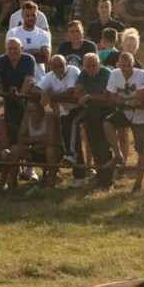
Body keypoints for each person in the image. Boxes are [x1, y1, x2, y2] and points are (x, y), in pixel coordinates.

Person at [103, 51, 144, 192]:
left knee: (141, 150)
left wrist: (129, 101)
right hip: (125, 111)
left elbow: (142, 95)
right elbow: (111, 94)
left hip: (141, 116)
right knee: (107, 123)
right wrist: (127, 102)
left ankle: (138, 182)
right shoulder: (114, 74)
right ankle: (118, 156)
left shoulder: (141, 74)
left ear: (133, 64)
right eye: (122, 65)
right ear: (118, 64)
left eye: (128, 65)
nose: (125, 68)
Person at [35, 53, 84, 187]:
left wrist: (52, 97)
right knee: (71, 139)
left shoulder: (73, 71)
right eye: (55, 67)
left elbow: (70, 92)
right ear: (51, 67)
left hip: (81, 107)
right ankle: (80, 175)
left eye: (60, 66)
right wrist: (43, 93)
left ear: (66, 64)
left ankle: (71, 155)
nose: (58, 69)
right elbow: (36, 88)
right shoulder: (50, 76)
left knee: (73, 128)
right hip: (66, 111)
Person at [0, 37, 35, 145]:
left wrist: (21, 97)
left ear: (21, 48)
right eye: (10, 49)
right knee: (11, 128)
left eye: (15, 48)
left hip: (27, 99)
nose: (12, 51)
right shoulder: (2, 60)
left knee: (29, 126)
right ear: (6, 49)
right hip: (10, 100)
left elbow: (29, 80)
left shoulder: (28, 59)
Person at [74, 52, 115, 191]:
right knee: (94, 145)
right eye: (88, 66)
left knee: (104, 147)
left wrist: (88, 96)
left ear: (100, 64)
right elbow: (77, 92)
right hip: (92, 113)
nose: (91, 68)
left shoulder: (106, 73)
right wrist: (89, 97)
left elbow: (107, 97)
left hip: (106, 113)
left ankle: (108, 180)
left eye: (94, 65)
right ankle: (100, 177)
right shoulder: (84, 74)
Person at [3, 99, 59, 189]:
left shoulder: (49, 117)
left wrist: (31, 143)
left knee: (51, 150)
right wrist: (41, 139)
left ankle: (51, 184)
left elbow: (51, 141)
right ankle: (12, 183)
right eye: (31, 111)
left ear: (42, 110)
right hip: (33, 151)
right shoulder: (26, 117)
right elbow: (20, 138)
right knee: (14, 149)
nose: (34, 114)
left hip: (49, 152)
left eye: (37, 111)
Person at [5, 1, 51, 82]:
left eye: (33, 15)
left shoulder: (44, 34)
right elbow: (11, 56)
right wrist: (36, 51)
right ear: (22, 15)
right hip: (16, 78)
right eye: (27, 15)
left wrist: (21, 53)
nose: (30, 18)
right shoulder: (12, 32)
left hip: (39, 80)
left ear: (37, 15)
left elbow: (45, 58)